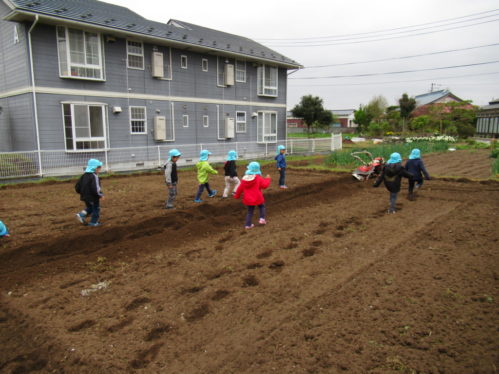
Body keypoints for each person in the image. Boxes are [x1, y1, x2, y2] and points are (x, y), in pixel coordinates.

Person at [234, 161, 271, 229]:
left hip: (248, 199)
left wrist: (237, 196)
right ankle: (262, 219)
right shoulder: (258, 178)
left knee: (250, 211)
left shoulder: (244, 179)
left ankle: (248, 225)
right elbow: (265, 185)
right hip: (258, 197)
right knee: (261, 207)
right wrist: (268, 179)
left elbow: (240, 188)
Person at [75, 159, 105, 226]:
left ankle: (81, 215)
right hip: (93, 197)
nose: (100, 169)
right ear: (95, 168)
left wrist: (82, 192)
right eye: (99, 167)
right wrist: (100, 195)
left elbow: (77, 186)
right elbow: (96, 188)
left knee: (90, 207)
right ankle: (93, 222)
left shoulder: (84, 175)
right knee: (96, 208)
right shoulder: (94, 176)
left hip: (85, 196)